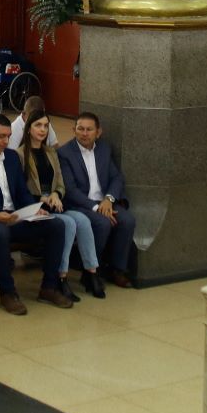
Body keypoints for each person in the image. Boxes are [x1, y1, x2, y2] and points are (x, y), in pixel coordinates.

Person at [0, 113, 70, 315]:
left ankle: (49, 287)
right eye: (1, 136)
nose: (6, 141)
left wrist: (34, 209)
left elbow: (22, 193)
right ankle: (8, 293)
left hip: (13, 217)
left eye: (8, 136)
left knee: (56, 225)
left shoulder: (11, 158)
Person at [17, 107, 93, 302]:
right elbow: (19, 189)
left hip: (54, 203)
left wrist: (56, 193)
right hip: (35, 207)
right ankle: (61, 276)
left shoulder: (51, 152)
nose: (42, 130)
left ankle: (91, 271)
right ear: (28, 128)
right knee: (67, 223)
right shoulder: (19, 155)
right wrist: (42, 197)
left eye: (46, 126)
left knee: (82, 220)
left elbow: (59, 181)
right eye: (38, 125)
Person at [56, 111, 136, 292]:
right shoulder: (64, 153)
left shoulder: (104, 149)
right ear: (73, 130)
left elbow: (116, 177)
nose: (84, 133)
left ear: (98, 132)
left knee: (127, 221)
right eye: (80, 129)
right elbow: (70, 189)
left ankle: (117, 269)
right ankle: (91, 270)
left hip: (105, 202)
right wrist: (95, 206)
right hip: (81, 204)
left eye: (89, 130)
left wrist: (108, 199)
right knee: (102, 223)